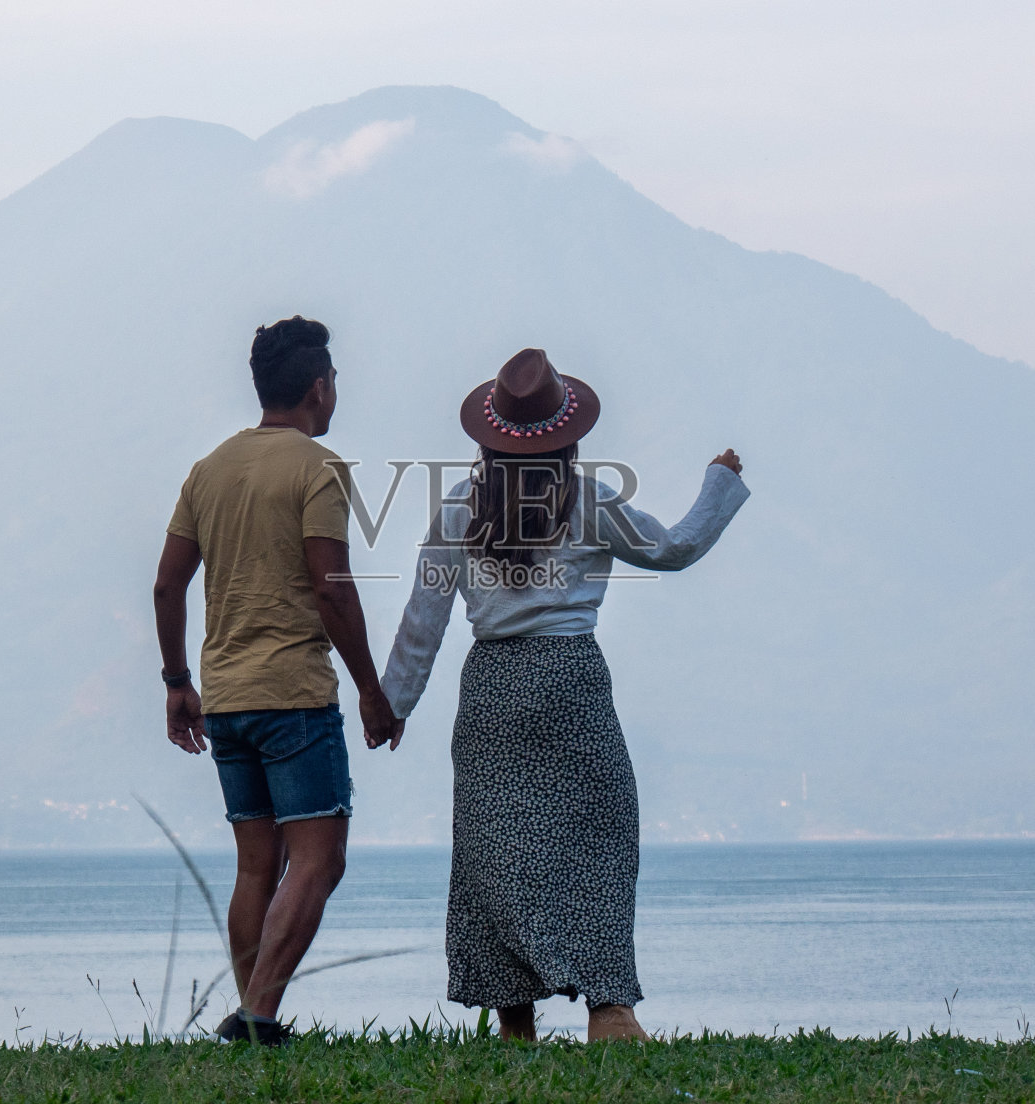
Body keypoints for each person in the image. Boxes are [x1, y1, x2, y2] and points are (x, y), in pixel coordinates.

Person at [379, 347, 748, 1043]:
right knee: (602, 838)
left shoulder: (459, 508)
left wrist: (393, 704)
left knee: (494, 852)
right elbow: (672, 549)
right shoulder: (589, 501)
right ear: (569, 436)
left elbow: (422, 619)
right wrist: (719, 483)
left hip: (489, 690)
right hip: (572, 680)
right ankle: (609, 1007)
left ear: (488, 439)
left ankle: (513, 1019)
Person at [153, 315, 403, 1046]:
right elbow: (333, 589)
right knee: (320, 859)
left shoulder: (210, 468)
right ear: (319, 389)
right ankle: (258, 1014)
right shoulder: (315, 470)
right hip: (293, 692)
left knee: (257, 865)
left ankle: (254, 1016)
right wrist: (371, 689)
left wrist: (177, 681)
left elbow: (168, 586)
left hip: (225, 698)